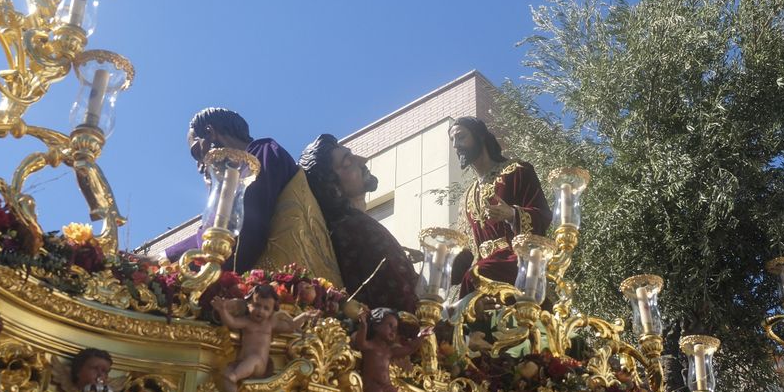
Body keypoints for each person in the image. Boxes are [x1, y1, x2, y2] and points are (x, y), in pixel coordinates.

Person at [165, 108, 298, 272]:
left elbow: (234, 237)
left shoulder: (261, 154)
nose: (200, 165)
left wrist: (214, 193)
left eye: (197, 152)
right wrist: (164, 258)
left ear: (210, 132)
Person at [300, 134, 419, 313]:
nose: (363, 160)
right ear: (333, 188)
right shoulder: (355, 228)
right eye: (348, 163)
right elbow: (401, 295)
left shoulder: (353, 225)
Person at [448, 117, 551, 294]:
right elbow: (466, 252)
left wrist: (512, 214)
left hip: (517, 262)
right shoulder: (466, 197)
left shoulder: (517, 171)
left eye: (461, 137)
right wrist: (434, 259)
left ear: (480, 136)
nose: (456, 145)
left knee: (479, 273)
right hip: (480, 271)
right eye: (453, 141)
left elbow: (542, 215)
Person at [211, 285, 316, 392]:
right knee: (226, 372)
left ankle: (235, 376)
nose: (260, 311)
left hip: (259, 364)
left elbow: (290, 327)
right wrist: (222, 310)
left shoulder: (270, 324)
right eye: (257, 305)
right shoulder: (246, 322)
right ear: (248, 303)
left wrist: (304, 316)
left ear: (272, 311)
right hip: (241, 362)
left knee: (252, 360)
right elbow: (232, 322)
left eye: (266, 308)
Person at [354, 307, 432, 392]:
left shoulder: (389, 351)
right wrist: (363, 324)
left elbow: (409, 349)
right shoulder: (370, 346)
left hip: (387, 385)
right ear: (376, 326)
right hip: (373, 385)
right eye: (389, 325)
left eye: (395, 328)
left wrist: (421, 336)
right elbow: (360, 343)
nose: (393, 331)